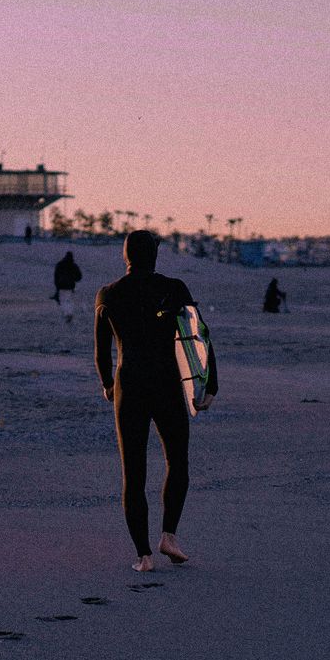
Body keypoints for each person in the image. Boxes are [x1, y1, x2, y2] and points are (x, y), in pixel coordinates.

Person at [95, 230, 215, 572]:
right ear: (156, 255)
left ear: (125, 255)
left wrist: (106, 384)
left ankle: (143, 556)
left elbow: (101, 350)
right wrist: (208, 385)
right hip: (166, 384)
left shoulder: (108, 294)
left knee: (133, 473)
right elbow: (199, 336)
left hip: (128, 386)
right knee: (178, 461)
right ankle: (169, 536)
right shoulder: (173, 289)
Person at [52, 250, 82, 324]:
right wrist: (74, 279)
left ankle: (67, 315)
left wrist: (57, 286)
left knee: (63, 301)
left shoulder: (60, 264)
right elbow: (79, 276)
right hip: (70, 286)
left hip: (61, 286)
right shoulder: (74, 265)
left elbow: (56, 276)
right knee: (68, 300)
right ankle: (69, 315)